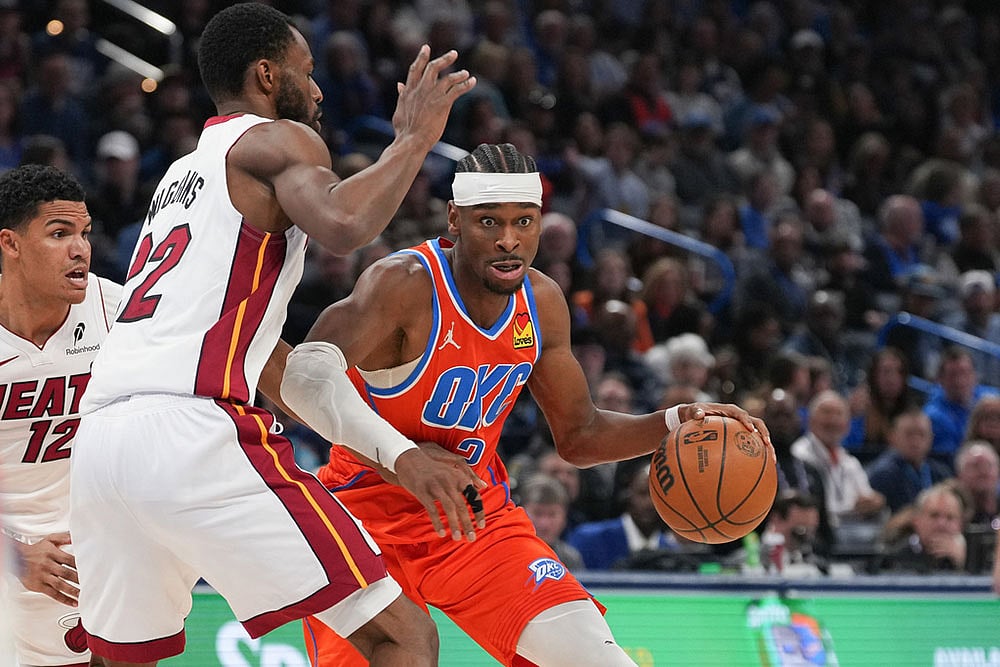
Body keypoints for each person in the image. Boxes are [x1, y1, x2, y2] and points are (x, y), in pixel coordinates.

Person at [68, 4, 484, 664]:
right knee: (401, 633)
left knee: (119, 657)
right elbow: (344, 225)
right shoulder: (277, 141)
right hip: (191, 432)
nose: (317, 90)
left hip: (100, 448)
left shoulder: (180, 178)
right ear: (268, 74)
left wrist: (398, 455)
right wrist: (413, 140)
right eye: (307, 71)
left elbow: (269, 367)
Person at [295, 143, 768, 666]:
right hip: (362, 520)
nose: (508, 240)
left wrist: (675, 422)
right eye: (488, 222)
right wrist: (404, 458)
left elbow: (580, 435)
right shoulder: (402, 286)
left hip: (473, 522)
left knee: (600, 660)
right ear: (455, 219)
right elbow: (301, 381)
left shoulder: (541, 303)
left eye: (524, 221)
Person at [0, 164, 121, 665]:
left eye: (85, 233)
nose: (81, 249)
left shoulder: (118, 310)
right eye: (59, 233)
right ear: (10, 244)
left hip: (99, 551)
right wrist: (13, 555)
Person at [865, 408, 952, 514]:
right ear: (892, 437)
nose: (915, 441)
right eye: (909, 434)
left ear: (931, 438)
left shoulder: (940, 473)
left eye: (921, 434)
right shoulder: (881, 474)